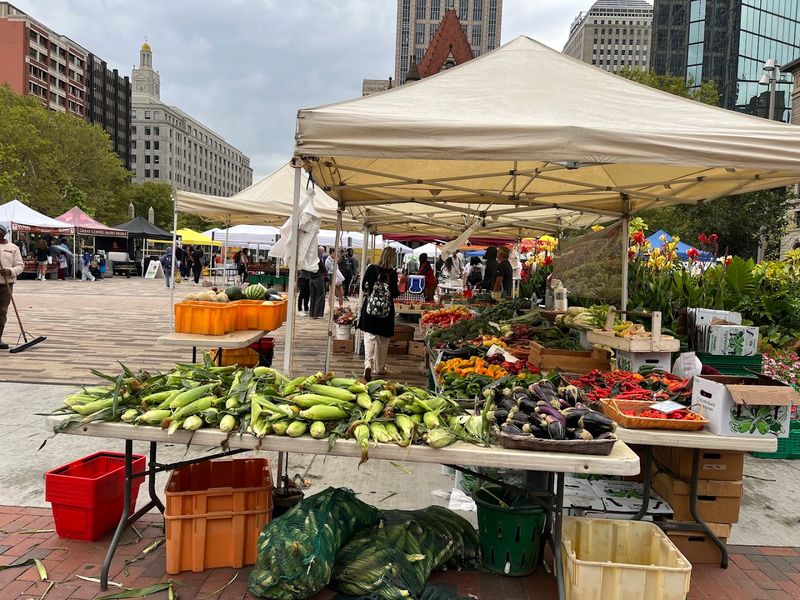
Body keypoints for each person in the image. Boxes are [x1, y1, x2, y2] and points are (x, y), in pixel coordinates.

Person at [357, 247, 400, 381]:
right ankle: (380, 368)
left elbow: (363, 286)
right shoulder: (393, 273)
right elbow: (394, 293)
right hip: (386, 312)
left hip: (370, 308)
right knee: (383, 340)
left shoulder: (371, 269)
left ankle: (368, 364)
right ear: (393, 258)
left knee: (369, 337)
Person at [0, 224, 24, 350]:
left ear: (4, 234)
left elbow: (20, 266)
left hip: (6, 285)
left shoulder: (13, 248)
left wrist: (10, 271)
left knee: (2, 311)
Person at [306, 250, 326, 319]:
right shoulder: (318, 260)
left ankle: (312, 313)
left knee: (313, 297)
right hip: (318, 278)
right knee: (320, 296)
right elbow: (323, 269)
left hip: (311, 279)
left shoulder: (309, 260)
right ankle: (317, 314)